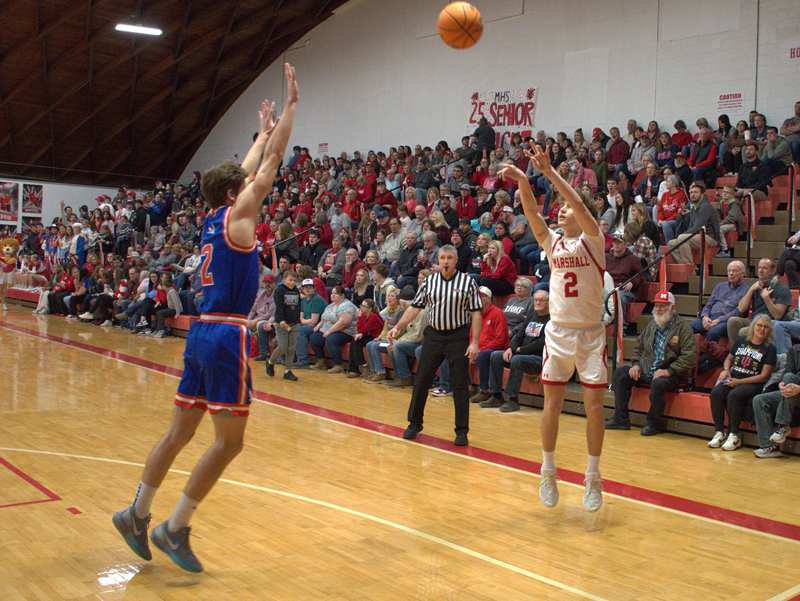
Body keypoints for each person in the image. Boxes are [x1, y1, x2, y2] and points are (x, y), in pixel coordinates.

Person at [112, 65, 298, 573]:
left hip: (200, 333)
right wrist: (291, 109)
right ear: (236, 192)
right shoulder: (241, 217)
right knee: (229, 443)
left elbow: (252, 163)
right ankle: (174, 527)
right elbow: (273, 161)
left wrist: (259, 132)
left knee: (178, 435)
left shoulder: (215, 217)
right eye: (246, 181)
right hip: (226, 337)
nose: (253, 182)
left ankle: (136, 512)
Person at [499, 144, 607, 512]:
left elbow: (575, 200)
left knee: (594, 406)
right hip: (559, 332)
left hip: (591, 334)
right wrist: (524, 181)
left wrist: (549, 173)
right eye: (559, 209)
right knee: (552, 404)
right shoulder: (552, 242)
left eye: (566, 209)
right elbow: (531, 212)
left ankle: (593, 477)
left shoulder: (593, 238)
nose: (561, 212)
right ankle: (548, 470)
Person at [387, 246, 482, 446]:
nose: (446, 261)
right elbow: (415, 307)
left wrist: (474, 342)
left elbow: (475, 313)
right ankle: (414, 423)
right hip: (433, 335)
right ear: (438, 260)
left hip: (458, 336)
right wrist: (399, 327)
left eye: (449, 258)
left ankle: (461, 430)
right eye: (442, 258)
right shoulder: (430, 281)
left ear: (456, 260)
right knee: (421, 380)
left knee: (459, 385)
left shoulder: (468, 282)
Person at [607, 291, 696, 434]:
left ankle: (653, 423)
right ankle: (620, 419)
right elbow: (639, 347)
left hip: (673, 374)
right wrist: (636, 364)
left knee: (659, 382)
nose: (659, 309)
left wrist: (669, 371)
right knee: (620, 373)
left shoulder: (683, 328)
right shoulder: (651, 325)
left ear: (673, 308)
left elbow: (689, 357)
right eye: (657, 306)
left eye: (664, 306)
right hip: (648, 369)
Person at [708, 315, 776, 452]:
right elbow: (729, 359)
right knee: (716, 393)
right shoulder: (741, 341)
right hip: (734, 378)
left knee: (735, 395)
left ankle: (734, 434)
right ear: (753, 326)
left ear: (769, 330)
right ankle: (719, 432)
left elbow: (764, 376)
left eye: (765, 327)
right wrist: (726, 370)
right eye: (759, 325)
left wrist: (739, 382)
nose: (762, 329)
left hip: (753, 383)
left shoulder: (770, 348)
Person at [484, 289, 550, 412]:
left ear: (548, 303)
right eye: (536, 300)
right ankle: (496, 395)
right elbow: (518, 335)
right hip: (520, 354)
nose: (538, 302)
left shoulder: (551, 321)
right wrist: (510, 348)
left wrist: (519, 350)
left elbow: (541, 343)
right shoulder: (531, 315)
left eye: (542, 300)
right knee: (496, 356)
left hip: (538, 359)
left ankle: (512, 399)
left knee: (517, 360)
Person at [752, 341, 800, 458]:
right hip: (792, 391)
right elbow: (788, 372)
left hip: (797, 390)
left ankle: (783, 425)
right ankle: (768, 447)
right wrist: (782, 385)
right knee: (759, 400)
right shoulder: (795, 349)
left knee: (790, 378)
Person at [726, 258, 791, 342]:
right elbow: (741, 309)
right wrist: (751, 290)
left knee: (743, 331)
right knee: (733, 321)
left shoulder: (782, 289)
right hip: (754, 320)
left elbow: (777, 315)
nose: (760, 270)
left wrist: (767, 299)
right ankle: (735, 353)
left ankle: (749, 352)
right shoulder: (755, 287)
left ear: (772, 271)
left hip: (771, 323)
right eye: (759, 268)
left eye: (764, 268)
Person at [468, 286, 509, 405]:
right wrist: (471, 347)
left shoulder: (497, 313)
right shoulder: (476, 315)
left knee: (482, 355)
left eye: (480, 297)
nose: (477, 300)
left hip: (495, 348)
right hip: (480, 347)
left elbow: (500, 340)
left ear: (487, 298)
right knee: (458, 352)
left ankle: (485, 390)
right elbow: (472, 336)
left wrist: (480, 350)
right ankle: (466, 386)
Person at [691, 261, 748, 342]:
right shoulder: (720, 286)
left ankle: (705, 352)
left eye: (734, 271)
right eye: (729, 271)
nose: (731, 273)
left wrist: (718, 320)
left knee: (713, 332)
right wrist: (705, 317)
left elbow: (738, 311)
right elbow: (709, 305)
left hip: (726, 321)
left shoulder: (745, 290)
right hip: (710, 318)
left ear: (743, 273)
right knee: (691, 325)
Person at [666, 182, 720, 265]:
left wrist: (681, 236)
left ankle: (689, 266)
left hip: (710, 237)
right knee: (671, 244)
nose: (692, 195)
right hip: (697, 236)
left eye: (696, 192)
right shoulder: (694, 207)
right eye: (691, 192)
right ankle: (688, 266)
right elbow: (690, 226)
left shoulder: (705, 207)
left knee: (682, 238)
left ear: (702, 194)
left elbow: (697, 227)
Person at [310, 285, 358, 373]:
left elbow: (343, 323)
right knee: (314, 337)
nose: (332, 295)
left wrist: (329, 331)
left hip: (346, 331)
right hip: (331, 330)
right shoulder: (331, 306)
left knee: (331, 339)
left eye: (335, 294)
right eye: (332, 293)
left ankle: (338, 365)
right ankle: (321, 361)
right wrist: (318, 326)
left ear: (342, 296)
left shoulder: (347, 306)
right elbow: (324, 318)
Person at [267, 270, 301, 381]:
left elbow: (297, 307)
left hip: (294, 323)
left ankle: (288, 371)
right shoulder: (279, 290)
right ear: (284, 279)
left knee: (291, 348)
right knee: (283, 346)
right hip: (281, 323)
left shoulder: (296, 290)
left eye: (294, 281)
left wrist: (297, 320)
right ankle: (270, 362)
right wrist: (281, 321)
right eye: (290, 280)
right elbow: (279, 307)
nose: (292, 282)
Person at [346, 298, 384, 378]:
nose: (361, 307)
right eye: (361, 305)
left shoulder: (374, 316)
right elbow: (360, 330)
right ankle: (355, 368)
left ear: (369, 308)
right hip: (367, 335)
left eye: (363, 306)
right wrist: (360, 333)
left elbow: (364, 329)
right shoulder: (364, 315)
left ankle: (361, 366)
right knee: (354, 341)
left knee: (356, 341)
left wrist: (359, 318)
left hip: (376, 337)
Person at [295, 278, 326, 368]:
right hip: (308, 325)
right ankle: (290, 358)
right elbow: (300, 317)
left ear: (314, 288)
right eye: (305, 287)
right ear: (302, 289)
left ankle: (303, 360)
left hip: (319, 327)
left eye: (310, 287)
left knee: (299, 330)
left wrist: (303, 321)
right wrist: (303, 321)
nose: (307, 289)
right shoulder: (304, 300)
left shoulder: (317, 299)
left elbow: (313, 322)